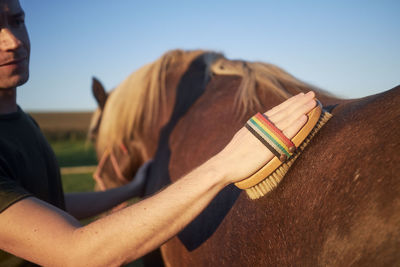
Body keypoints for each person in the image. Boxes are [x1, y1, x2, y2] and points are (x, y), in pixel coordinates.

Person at [0, 0, 317, 266]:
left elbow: (46, 204)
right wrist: (225, 165)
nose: (13, 41)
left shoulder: (21, 121)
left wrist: (131, 188)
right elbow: (74, 253)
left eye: (17, 20)